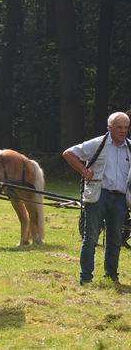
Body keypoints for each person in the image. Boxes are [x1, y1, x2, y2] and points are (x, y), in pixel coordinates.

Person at [63, 112, 131, 285]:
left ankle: (111, 277)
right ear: (109, 128)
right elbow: (69, 153)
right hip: (98, 196)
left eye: (126, 127)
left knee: (115, 241)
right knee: (91, 239)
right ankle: (85, 278)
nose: (123, 131)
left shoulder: (129, 147)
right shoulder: (97, 144)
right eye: (119, 128)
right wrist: (85, 172)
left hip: (121, 199)